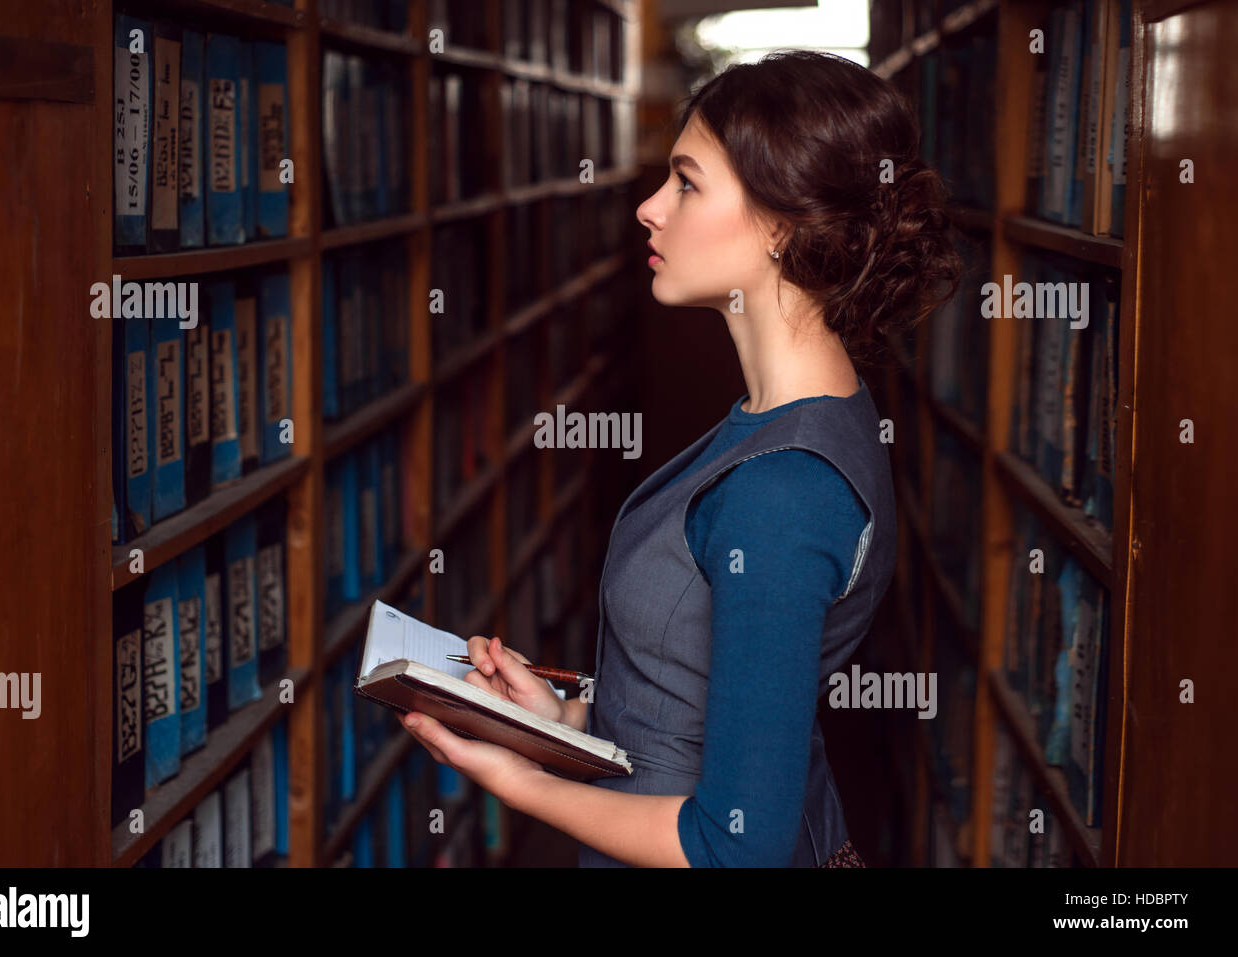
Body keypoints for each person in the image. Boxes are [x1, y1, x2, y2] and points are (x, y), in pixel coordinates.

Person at [398, 50, 962, 867]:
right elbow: (715, 713)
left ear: (782, 225)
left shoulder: (786, 489)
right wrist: (559, 721)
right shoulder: (801, 418)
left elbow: (736, 847)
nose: (648, 208)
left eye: (687, 183)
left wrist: (517, 778)